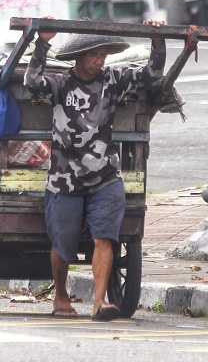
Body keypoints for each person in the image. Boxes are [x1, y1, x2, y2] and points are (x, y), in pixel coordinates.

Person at [24, 16, 166, 321]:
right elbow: (32, 83)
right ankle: (60, 296)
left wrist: (158, 41)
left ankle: (99, 302)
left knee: (105, 238)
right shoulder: (61, 84)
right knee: (62, 244)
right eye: (93, 55)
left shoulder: (113, 81)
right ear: (78, 57)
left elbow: (152, 75)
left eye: (102, 55)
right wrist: (42, 43)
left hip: (105, 175)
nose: (99, 61)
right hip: (65, 178)